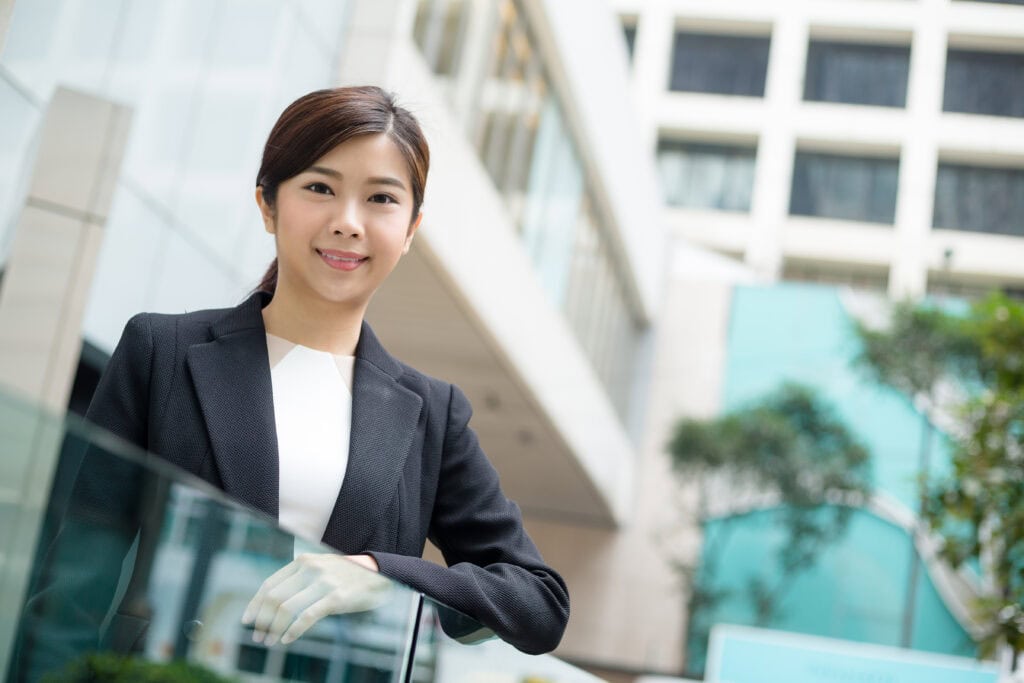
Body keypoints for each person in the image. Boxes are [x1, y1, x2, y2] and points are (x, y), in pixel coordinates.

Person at [19, 86, 569, 671]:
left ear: (410, 229)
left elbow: (539, 602)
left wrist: (381, 574)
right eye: (320, 188)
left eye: (381, 198)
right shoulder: (162, 353)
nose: (348, 223)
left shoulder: (432, 412)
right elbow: (73, 585)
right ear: (267, 204)